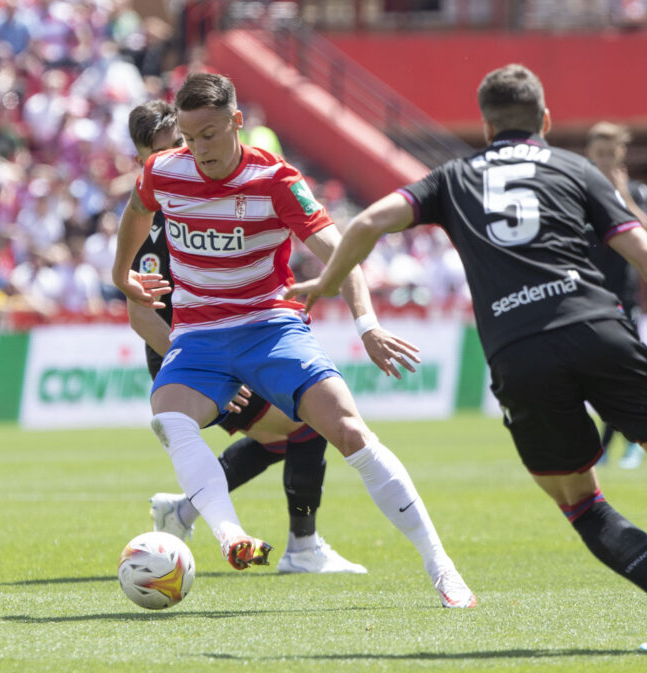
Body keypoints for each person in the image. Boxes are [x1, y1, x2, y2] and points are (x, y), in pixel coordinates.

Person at [286, 64, 647, 649]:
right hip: (598, 327)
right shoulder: (575, 168)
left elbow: (365, 223)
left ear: (487, 125)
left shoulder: (452, 178)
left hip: (520, 352)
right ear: (545, 120)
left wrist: (327, 282)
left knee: (580, 500)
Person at [112, 73, 475, 608]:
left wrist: (367, 323)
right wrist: (122, 275)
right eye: (189, 138)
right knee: (168, 414)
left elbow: (340, 249)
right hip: (200, 335)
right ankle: (231, 536)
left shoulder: (275, 180)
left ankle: (441, 566)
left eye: (209, 134)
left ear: (237, 122)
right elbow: (136, 211)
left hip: (268, 327)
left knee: (348, 431)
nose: (199, 149)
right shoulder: (163, 171)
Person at [126, 99, 365, 574]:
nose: (187, 153)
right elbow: (141, 315)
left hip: (226, 344)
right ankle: (303, 547)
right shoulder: (156, 219)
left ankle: (185, 511)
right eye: (173, 147)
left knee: (283, 436)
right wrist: (203, 366)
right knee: (306, 424)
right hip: (188, 354)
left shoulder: (212, 189)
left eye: (187, 142)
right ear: (143, 161)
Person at [586, 121, 647, 469]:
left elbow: (645, 231)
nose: (605, 161)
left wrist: (622, 193)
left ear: (621, 154)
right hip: (587, 297)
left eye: (610, 154)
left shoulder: (636, 191)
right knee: (596, 377)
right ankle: (622, 442)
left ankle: (623, 445)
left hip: (623, 298)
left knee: (620, 372)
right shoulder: (581, 192)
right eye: (599, 154)